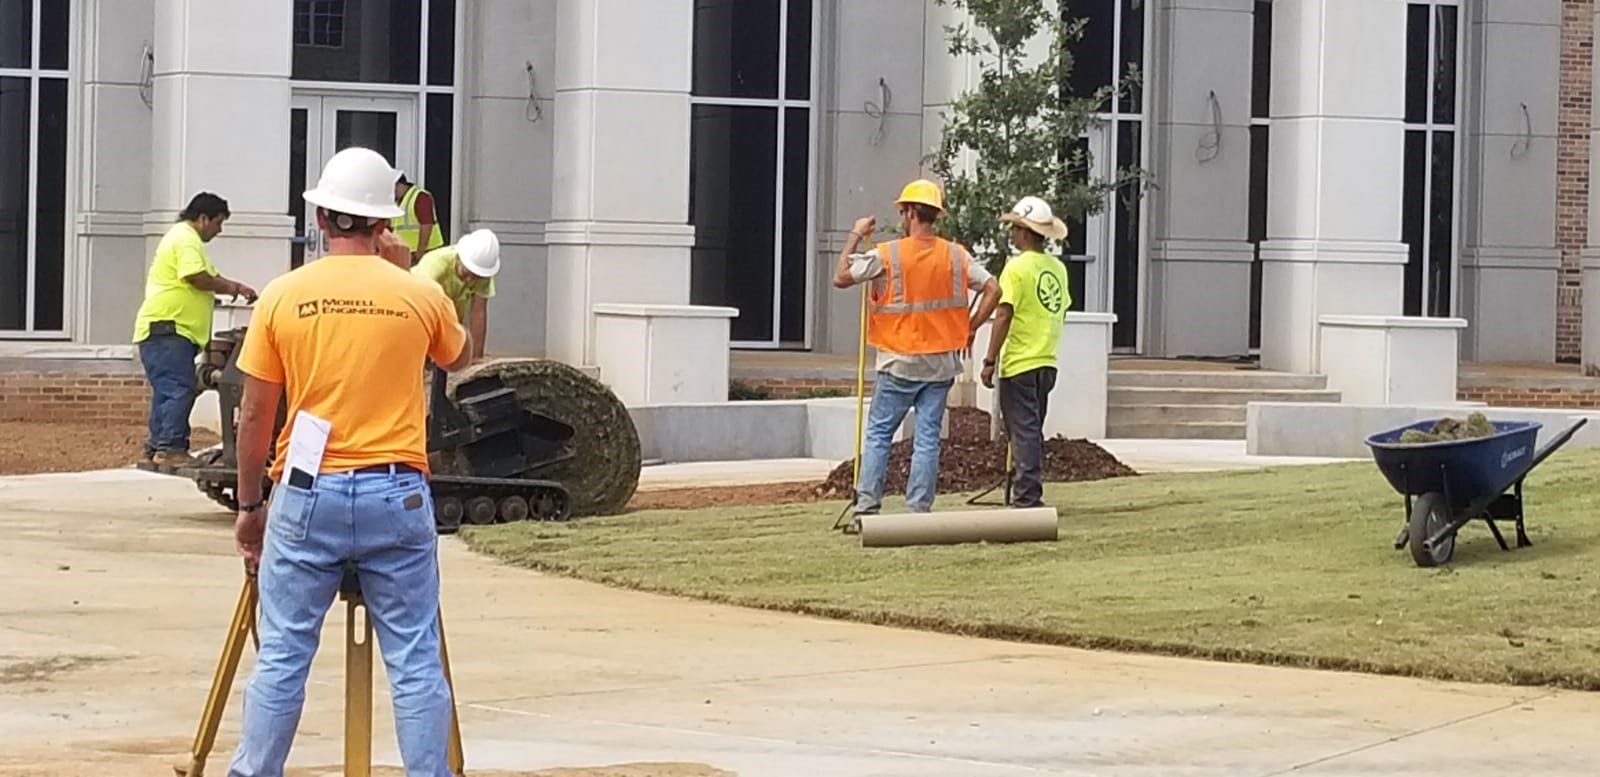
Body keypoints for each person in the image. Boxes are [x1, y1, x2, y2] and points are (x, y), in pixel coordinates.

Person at [227, 147, 473, 776]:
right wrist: (405, 273)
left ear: (321, 218)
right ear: (383, 224)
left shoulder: (284, 296)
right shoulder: (417, 294)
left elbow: (255, 416)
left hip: (310, 491)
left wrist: (251, 505)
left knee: (283, 655)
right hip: (397, 493)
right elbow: (459, 356)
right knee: (414, 660)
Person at [832, 179, 1001, 521]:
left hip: (898, 361)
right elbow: (993, 289)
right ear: (935, 215)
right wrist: (970, 327)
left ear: (909, 212)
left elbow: (841, 277)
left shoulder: (888, 254)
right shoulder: (956, 255)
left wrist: (855, 234)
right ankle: (919, 510)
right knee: (927, 439)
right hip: (940, 365)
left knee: (879, 434)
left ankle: (867, 505)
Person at [131, 192, 257, 469]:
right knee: (179, 389)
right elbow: (197, 277)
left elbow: (209, 276)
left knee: (167, 390)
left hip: (165, 331)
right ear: (203, 218)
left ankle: (156, 447)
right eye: (218, 222)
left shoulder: (183, 239)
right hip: (170, 329)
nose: (219, 230)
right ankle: (171, 448)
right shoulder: (186, 239)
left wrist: (236, 287)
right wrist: (231, 288)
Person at [981, 196, 1071, 509]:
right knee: (1032, 430)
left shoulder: (1016, 268)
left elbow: (1004, 314)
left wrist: (989, 360)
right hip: (1047, 362)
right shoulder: (1058, 268)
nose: (1011, 233)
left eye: (1015, 228)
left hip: (1020, 363)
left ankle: (1027, 497)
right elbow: (1061, 310)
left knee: (1023, 433)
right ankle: (1026, 490)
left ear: (1024, 232)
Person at [411, 229, 500, 361]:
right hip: (419, 315)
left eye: (476, 276)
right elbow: (421, 307)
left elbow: (478, 313)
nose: (470, 279)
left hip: (449, 322)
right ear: (460, 259)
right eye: (467, 273)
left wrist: (476, 358)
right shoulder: (434, 265)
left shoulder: (482, 274)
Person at [393, 173, 445, 264]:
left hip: (426, 251)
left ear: (397, 184)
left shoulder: (420, 197)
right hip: (407, 252)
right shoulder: (397, 202)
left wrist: (420, 252)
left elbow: (426, 225)